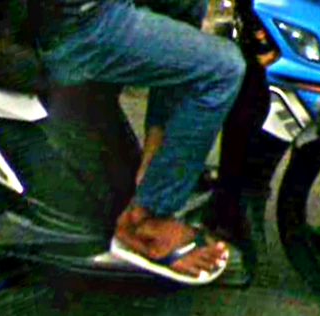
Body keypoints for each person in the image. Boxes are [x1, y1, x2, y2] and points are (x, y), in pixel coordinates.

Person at [35, 0, 248, 285]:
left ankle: (153, 162)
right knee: (223, 69)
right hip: (76, 23)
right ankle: (145, 220)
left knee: (187, 5)